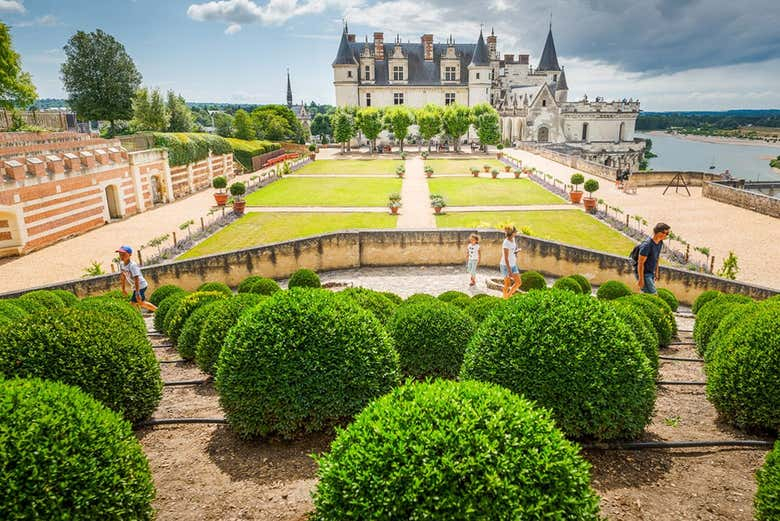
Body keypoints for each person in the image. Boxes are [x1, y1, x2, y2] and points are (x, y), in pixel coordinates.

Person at [115, 245, 158, 313]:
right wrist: (123, 289)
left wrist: (137, 293)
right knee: (140, 303)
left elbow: (136, 279)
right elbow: (123, 276)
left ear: (130, 254)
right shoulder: (121, 264)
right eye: (120, 254)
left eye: (123, 254)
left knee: (134, 303)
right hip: (136, 287)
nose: (121, 256)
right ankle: (157, 311)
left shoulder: (132, 265)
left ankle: (158, 311)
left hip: (141, 285)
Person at [636, 223, 670, 294]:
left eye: (667, 233)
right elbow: (640, 263)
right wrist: (641, 279)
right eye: (666, 233)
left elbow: (656, 258)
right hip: (645, 274)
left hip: (651, 273)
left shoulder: (660, 242)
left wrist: (656, 272)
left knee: (646, 295)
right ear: (659, 232)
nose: (667, 235)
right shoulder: (647, 245)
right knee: (654, 295)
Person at [500, 226, 522, 299]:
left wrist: (516, 251)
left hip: (513, 264)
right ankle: (504, 297)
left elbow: (512, 251)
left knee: (518, 282)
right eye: (515, 232)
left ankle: (508, 296)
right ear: (512, 233)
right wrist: (509, 270)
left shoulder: (513, 239)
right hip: (505, 265)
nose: (516, 233)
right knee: (507, 284)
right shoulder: (506, 243)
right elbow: (506, 258)